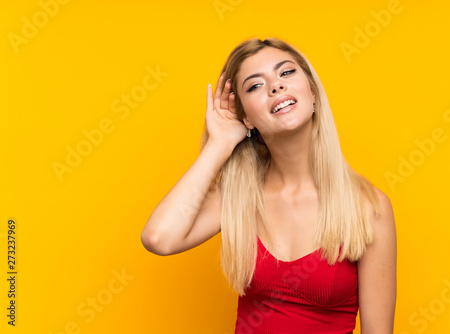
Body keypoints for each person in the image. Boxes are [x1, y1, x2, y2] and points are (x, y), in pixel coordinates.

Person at [141, 37, 397, 333]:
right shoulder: (238, 198)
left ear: (313, 92)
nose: (276, 87)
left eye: (286, 73)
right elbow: (159, 238)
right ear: (247, 118)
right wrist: (219, 144)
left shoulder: (367, 206)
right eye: (255, 86)